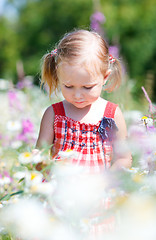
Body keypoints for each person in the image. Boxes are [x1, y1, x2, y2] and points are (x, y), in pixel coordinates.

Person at [36, 29, 132, 172]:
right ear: (58, 75)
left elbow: (124, 158)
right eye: (68, 86)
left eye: (87, 87)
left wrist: (106, 181)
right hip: (60, 190)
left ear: (105, 77)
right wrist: (46, 169)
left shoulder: (112, 114)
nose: (78, 95)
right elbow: (40, 156)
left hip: (98, 191)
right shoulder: (54, 114)